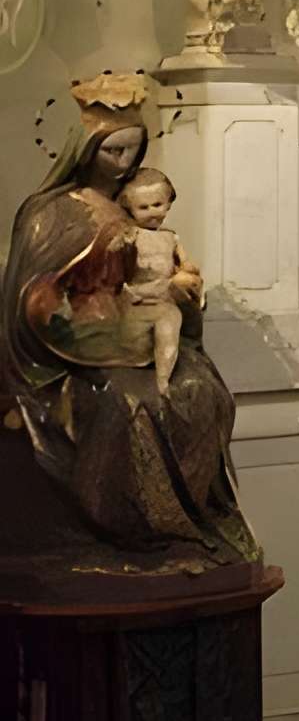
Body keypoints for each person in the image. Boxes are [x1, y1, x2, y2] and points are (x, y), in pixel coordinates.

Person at [0, 74, 260, 580]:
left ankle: (184, 523)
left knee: (198, 389)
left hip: (132, 324)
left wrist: (182, 293)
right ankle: (128, 524)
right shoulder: (49, 212)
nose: (121, 162)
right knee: (127, 401)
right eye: (111, 151)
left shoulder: (134, 206)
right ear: (86, 149)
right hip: (63, 351)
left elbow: (159, 273)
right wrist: (81, 325)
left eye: (131, 151)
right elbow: (31, 300)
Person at [117, 168, 198, 398]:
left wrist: (188, 270)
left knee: (170, 320)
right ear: (129, 208)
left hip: (164, 296)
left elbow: (186, 265)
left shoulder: (171, 238)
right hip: (136, 295)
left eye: (158, 204)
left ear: (168, 204)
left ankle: (163, 379)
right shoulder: (130, 235)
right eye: (143, 207)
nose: (153, 212)